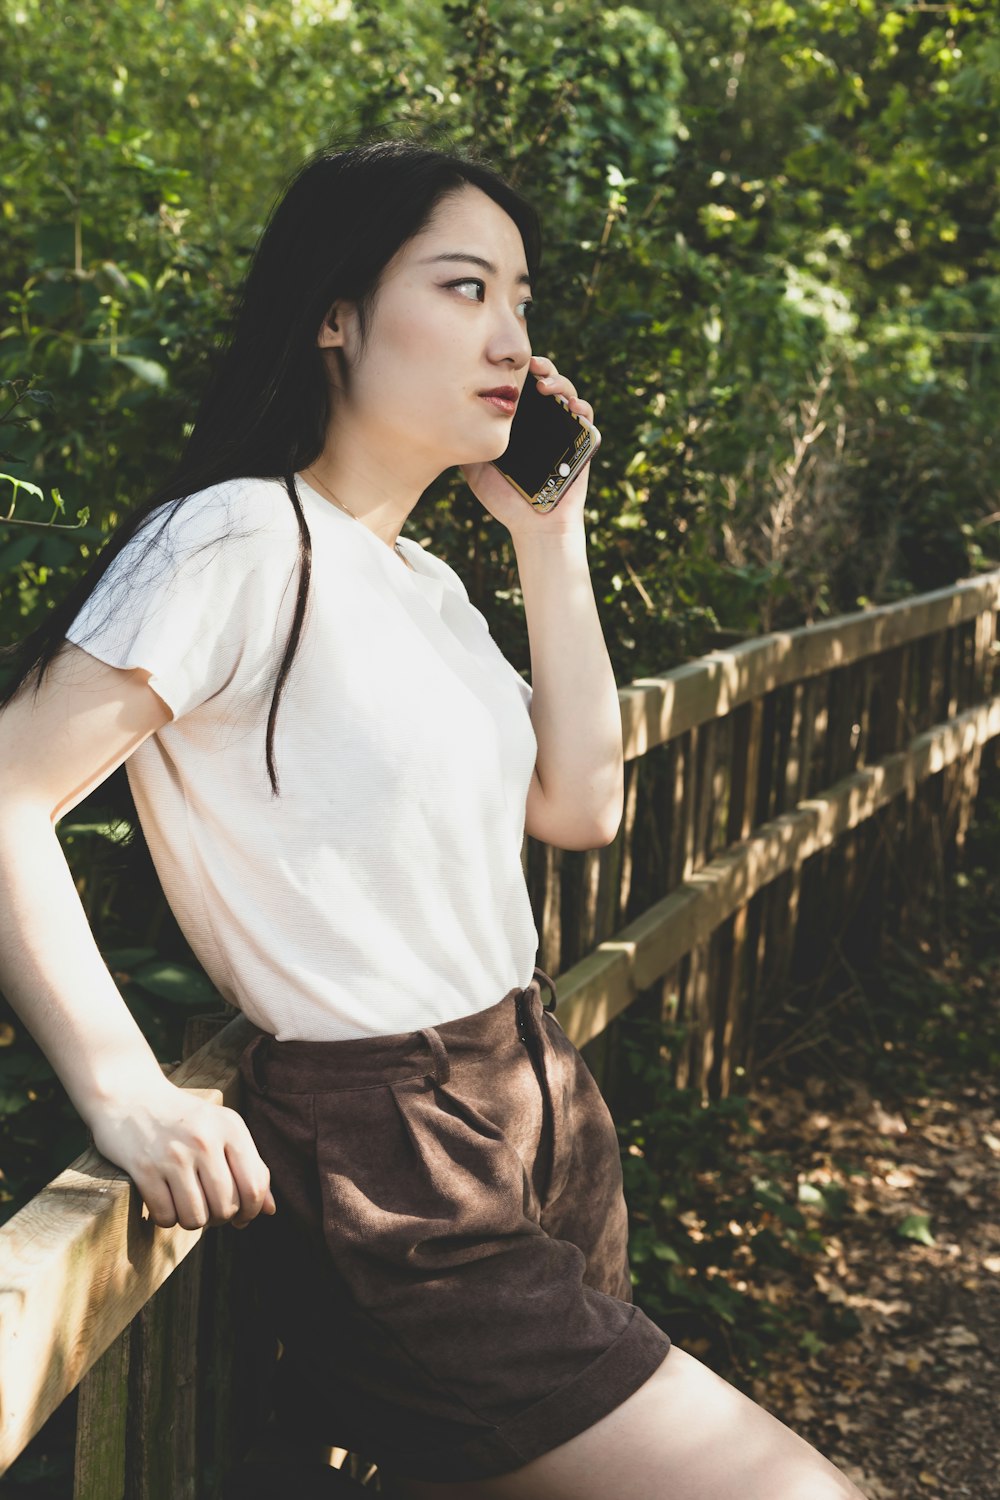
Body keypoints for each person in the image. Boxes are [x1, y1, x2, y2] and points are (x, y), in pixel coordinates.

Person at [0, 136, 867, 1499]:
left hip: (537, 1095)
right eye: (466, 289)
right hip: (394, 1151)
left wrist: (547, 537)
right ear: (335, 314)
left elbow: (580, 806)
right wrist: (121, 1088)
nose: (512, 338)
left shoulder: (427, 587)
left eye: (520, 299)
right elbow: (6, 796)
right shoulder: (236, 540)